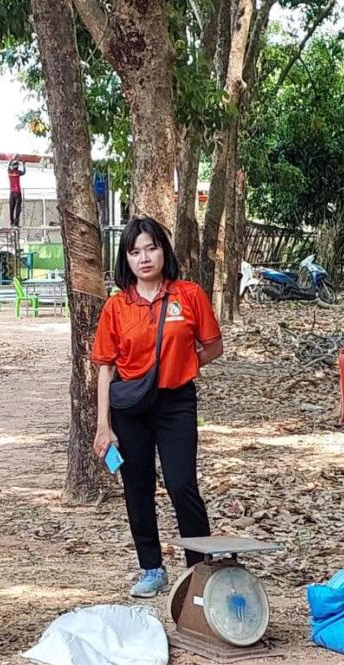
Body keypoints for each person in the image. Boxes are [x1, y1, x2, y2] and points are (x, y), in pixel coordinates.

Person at [92, 217, 224, 598]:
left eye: (151, 248)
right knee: (138, 486)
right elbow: (105, 367)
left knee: (183, 484)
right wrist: (104, 425)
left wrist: (184, 364)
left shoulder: (189, 295)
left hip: (176, 402)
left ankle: (199, 569)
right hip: (130, 406)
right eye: (135, 252)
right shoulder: (117, 307)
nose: (144, 258)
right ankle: (151, 567)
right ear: (126, 260)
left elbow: (214, 346)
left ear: (164, 251)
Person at [7, 156, 26, 227]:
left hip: (12, 192)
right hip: (17, 192)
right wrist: (23, 164)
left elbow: (8, 166)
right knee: (18, 208)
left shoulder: (9, 172)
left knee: (11, 208)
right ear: (17, 167)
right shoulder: (18, 172)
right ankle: (16, 223)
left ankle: (12, 222)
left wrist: (11, 160)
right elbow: (24, 172)